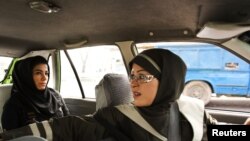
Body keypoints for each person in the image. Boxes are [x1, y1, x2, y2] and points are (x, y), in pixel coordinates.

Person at [0, 49, 236, 141]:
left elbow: (216, 131)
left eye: (142, 76)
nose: (133, 83)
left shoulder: (192, 109)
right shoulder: (118, 117)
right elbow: (69, 126)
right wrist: (8, 136)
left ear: (169, 82)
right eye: (131, 76)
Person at [1, 56, 70, 131]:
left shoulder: (56, 95)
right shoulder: (13, 105)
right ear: (25, 75)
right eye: (38, 73)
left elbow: (69, 122)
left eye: (46, 73)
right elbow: (10, 137)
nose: (44, 78)